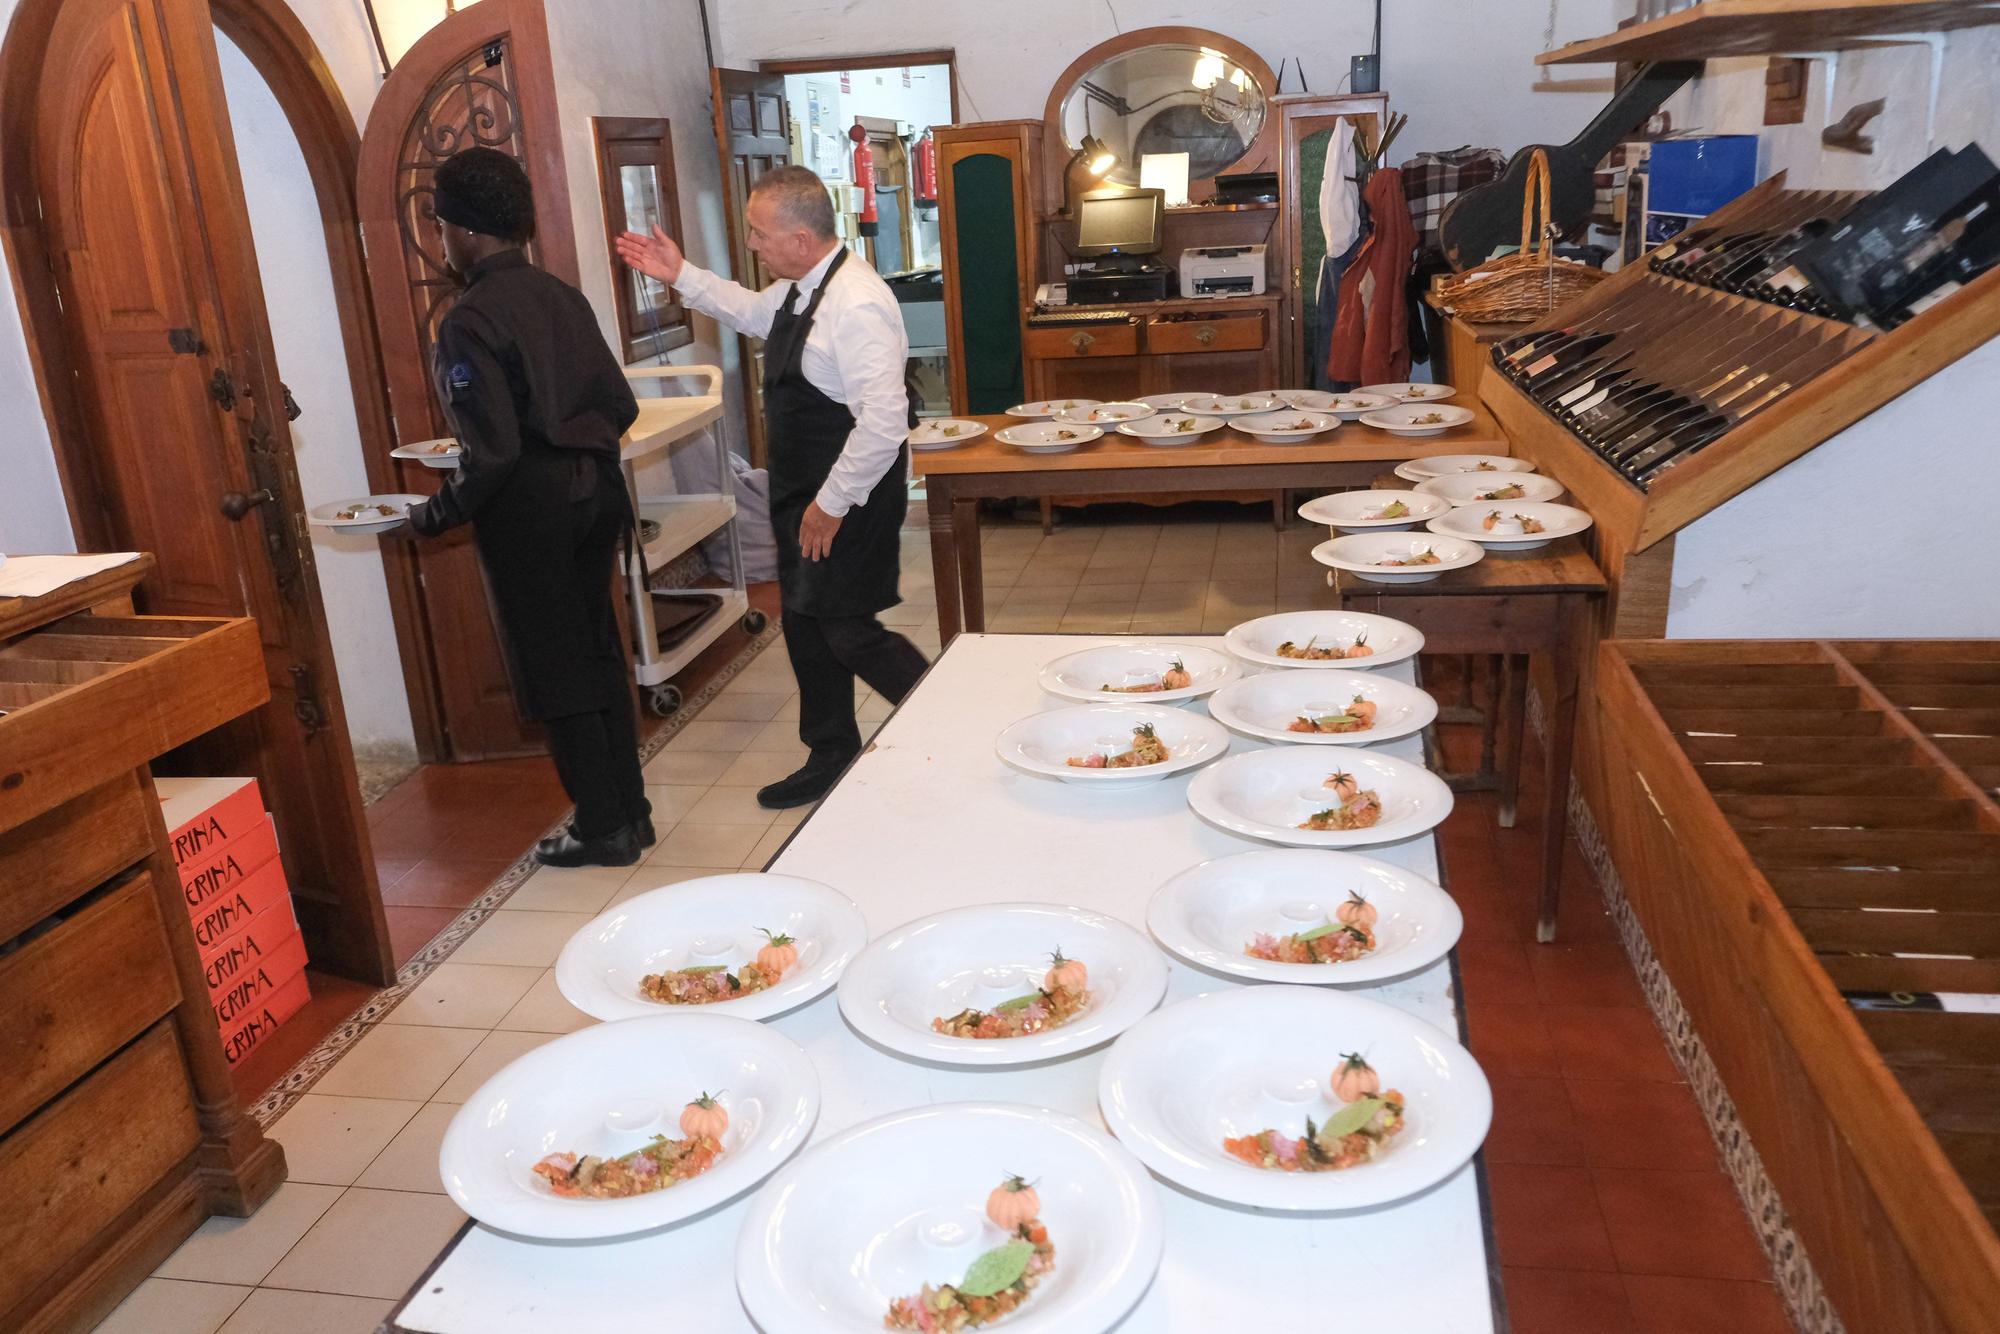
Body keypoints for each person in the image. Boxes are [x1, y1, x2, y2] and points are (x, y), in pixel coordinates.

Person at [616, 166, 928, 810]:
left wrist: (829, 506)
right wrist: (683, 277)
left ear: (802, 239)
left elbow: (884, 423)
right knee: (806, 625)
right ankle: (831, 750)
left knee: (846, 628)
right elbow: (752, 312)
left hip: (851, 493)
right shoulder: (797, 288)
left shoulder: (857, 303)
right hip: (803, 490)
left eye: (760, 235)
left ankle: (945, 717)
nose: (752, 245)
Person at [405, 147, 650, 868]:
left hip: (532, 510)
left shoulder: (469, 319)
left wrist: (433, 513)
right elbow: (620, 403)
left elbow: (495, 452)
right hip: (599, 492)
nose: (443, 240)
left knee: (556, 666)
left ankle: (603, 827)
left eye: (443, 226)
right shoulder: (560, 295)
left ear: (464, 232)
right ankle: (631, 813)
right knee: (599, 651)